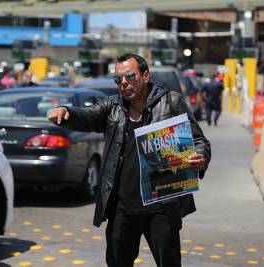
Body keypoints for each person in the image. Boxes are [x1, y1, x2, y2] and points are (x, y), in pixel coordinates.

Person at [48, 53, 211, 267]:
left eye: (130, 77)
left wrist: (200, 157)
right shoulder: (112, 106)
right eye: (118, 79)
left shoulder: (171, 103)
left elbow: (199, 140)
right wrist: (66, 111)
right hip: (121, 209)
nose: (124, 83)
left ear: (145, 75)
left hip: (161, 206)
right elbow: (88, 115)